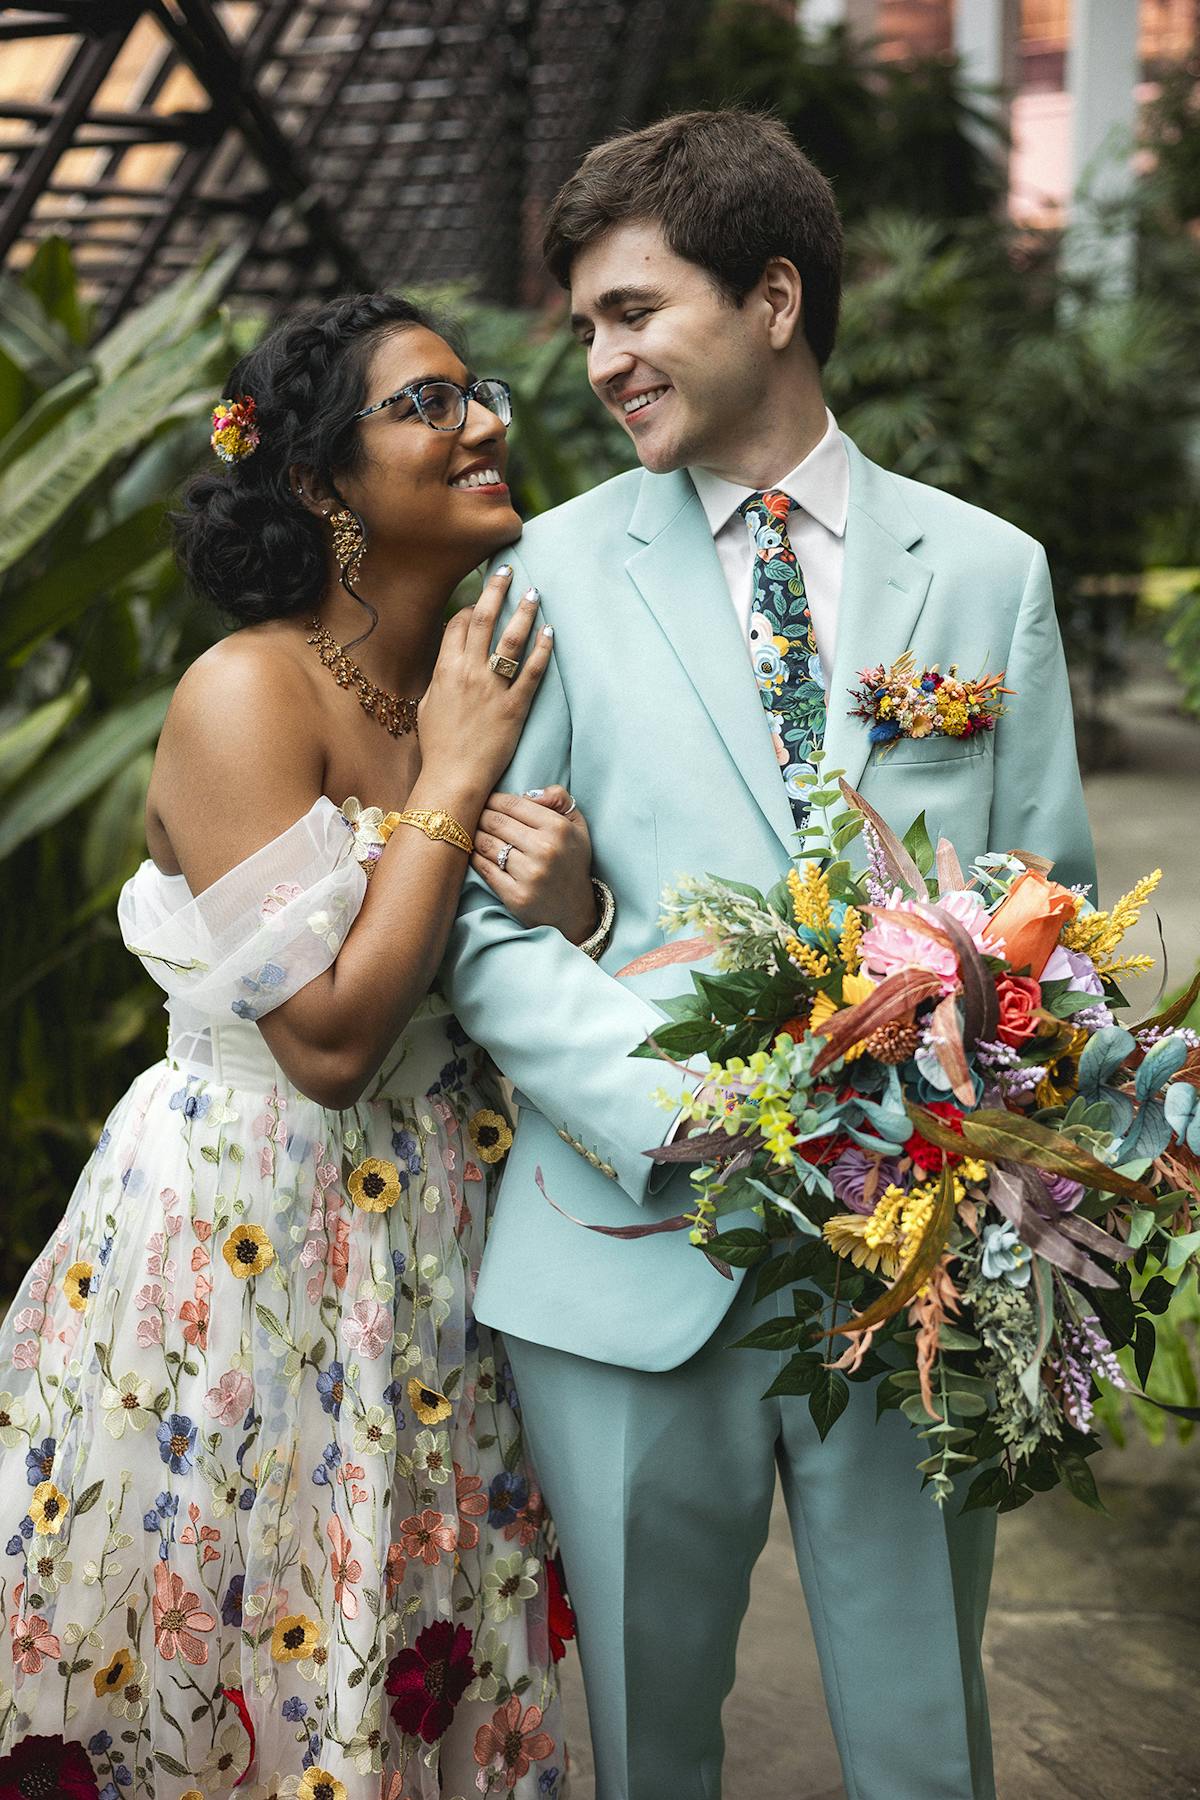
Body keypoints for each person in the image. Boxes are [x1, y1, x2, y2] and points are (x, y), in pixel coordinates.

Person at [444, 110, 1097, 1800]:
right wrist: (684, 1109)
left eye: (633, 311)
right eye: (587, 322)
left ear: (776, 297)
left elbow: (1052, 922)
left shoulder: (987, 573)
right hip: (623, 1246)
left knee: (921, 1735)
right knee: (644, 1745)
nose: (599, 361)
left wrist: (1009, 1174)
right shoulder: (544, 573)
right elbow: (478, 918)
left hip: (910, 1267)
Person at [0, 295, 594, 1800]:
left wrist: (570, 895)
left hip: (439, 1254)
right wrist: (458, 780)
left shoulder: (468, 682)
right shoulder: (246, 691)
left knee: (392, 1628)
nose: (484, 424)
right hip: (248, 1231)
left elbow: (503, 976)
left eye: (482, 392)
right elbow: (327, 1040)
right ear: (324, 485)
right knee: (231, 1629)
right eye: (428, 405)